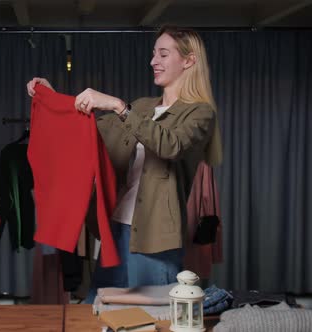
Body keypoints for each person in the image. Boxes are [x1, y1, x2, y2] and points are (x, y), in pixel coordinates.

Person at [26, 25, 222, 303]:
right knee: (100, 306)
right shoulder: (142, 107)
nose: (153, 61)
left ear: (188, 61)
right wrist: (52, 96)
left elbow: (170, 145)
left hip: (154, 238)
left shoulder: (200, 113)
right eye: (154, 54)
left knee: (154, 318)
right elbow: (87, 129)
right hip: (116, 228)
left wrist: (119, 106)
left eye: (163, 54)